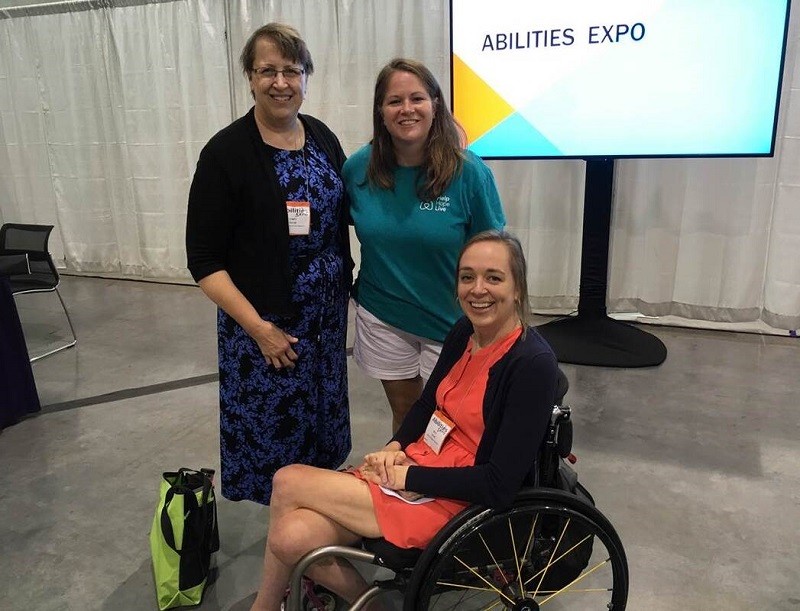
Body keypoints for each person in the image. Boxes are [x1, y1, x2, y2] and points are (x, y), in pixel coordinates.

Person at [249, 230, 558, 610]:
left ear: (518, 288)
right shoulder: (465, 330)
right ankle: (372, 605)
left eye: (494, 278)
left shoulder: (531, 365)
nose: (478, 289)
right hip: (420, 462)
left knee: (287, 479)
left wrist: (408, 477)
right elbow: (429, 402)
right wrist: (395, 447)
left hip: (457, 496)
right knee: (290, 536)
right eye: (467, 277)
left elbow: (498, 485)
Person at [185, 23, 352, 506]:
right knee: (277, 440)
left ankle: (316, 526)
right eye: (268, 71)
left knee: (321, 430)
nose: (281, 82)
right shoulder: (226, 154)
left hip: (323, 326)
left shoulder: (320, 136)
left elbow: (348, 209)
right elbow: (204, 261)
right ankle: (292, 552)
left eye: (292, 71)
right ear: (250, 77)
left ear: (305, 77)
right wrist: (260, 330)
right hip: (265, 333)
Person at [343, 58, 506, 433]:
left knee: (453, 424)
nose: (406, 109)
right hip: (384, 315)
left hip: (452, 323)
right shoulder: (358, 169)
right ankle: (406, 486)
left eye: (417, 98)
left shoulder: (469, 172)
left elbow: (495, 253)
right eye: (394, 101)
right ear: (380, 112)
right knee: (407, 418)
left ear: (435, 104)